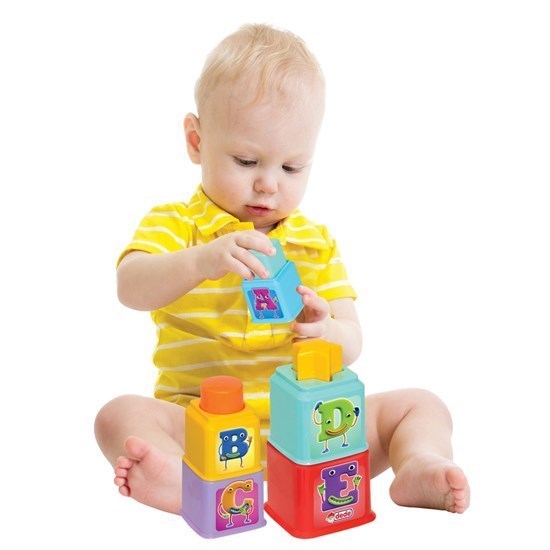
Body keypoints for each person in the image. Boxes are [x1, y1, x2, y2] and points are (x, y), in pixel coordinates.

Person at [94, 23, 470, 516]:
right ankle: (185, 481)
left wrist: (325, 329)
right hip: (203, 424)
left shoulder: (314, 243)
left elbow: (352, 341)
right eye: (246, 160)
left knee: (421, 404)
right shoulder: (177, 226)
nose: (268, 185)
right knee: (116, 415)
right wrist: (201, 261)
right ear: (196, 141)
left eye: (292, 168)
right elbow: (131, 287)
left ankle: (419, 462)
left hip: (315, 427)